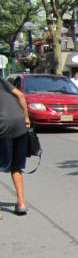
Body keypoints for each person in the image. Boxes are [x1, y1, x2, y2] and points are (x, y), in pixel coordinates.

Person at [0, 76, 30, 216]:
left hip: (3, 127)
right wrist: (26, 117)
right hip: (19, 125)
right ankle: (21, 203)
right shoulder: (2, 80)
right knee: (16, 167)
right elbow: (20, 95)